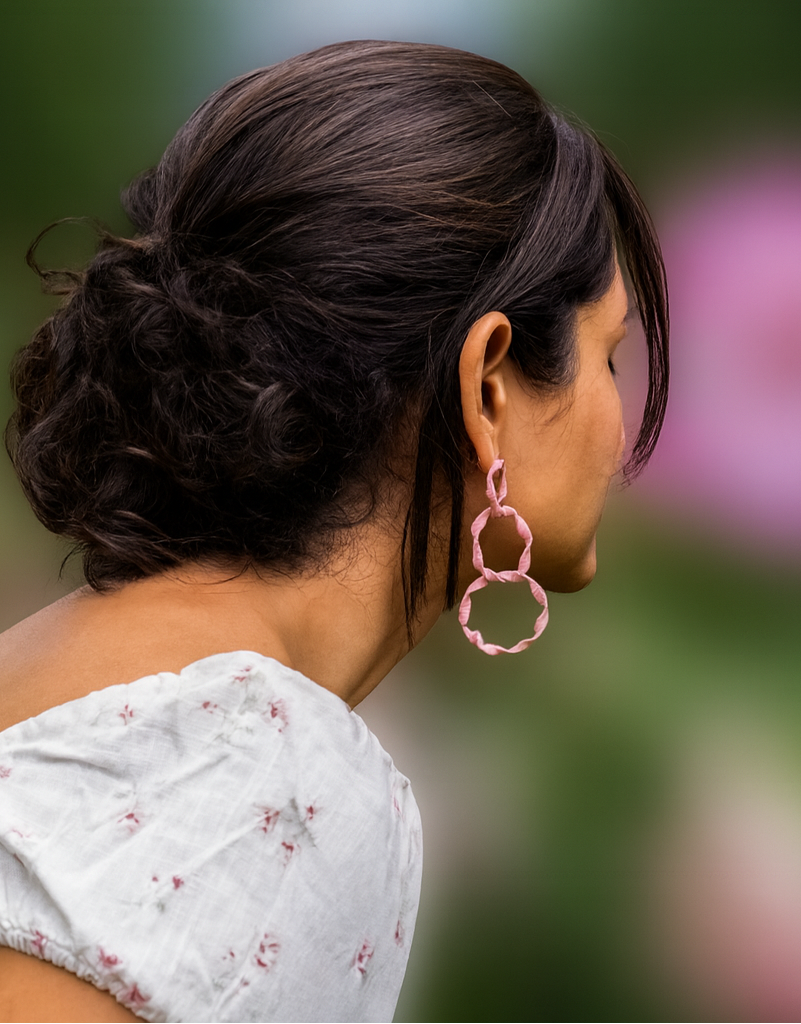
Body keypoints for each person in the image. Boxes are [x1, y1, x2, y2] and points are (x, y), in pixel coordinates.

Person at [0, 39, 668, 1023]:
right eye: (608, 355)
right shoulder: (266, 768)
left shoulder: (74, 664)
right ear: (487, 387)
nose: (621, 426)